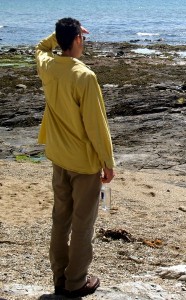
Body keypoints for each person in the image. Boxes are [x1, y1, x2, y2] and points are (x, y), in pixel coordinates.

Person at [35, 17, 115, 298]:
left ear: (61, 39)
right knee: (82, 223)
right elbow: (96, 125)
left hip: (59, 156)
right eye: (82, 37)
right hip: (83, 162)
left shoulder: (49, 67)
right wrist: (108, 162)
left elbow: (40, 48)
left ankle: (59, 277)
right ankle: (76, 282)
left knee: (60, 218)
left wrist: (59, 35)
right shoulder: (84, 76)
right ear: (79, 40)